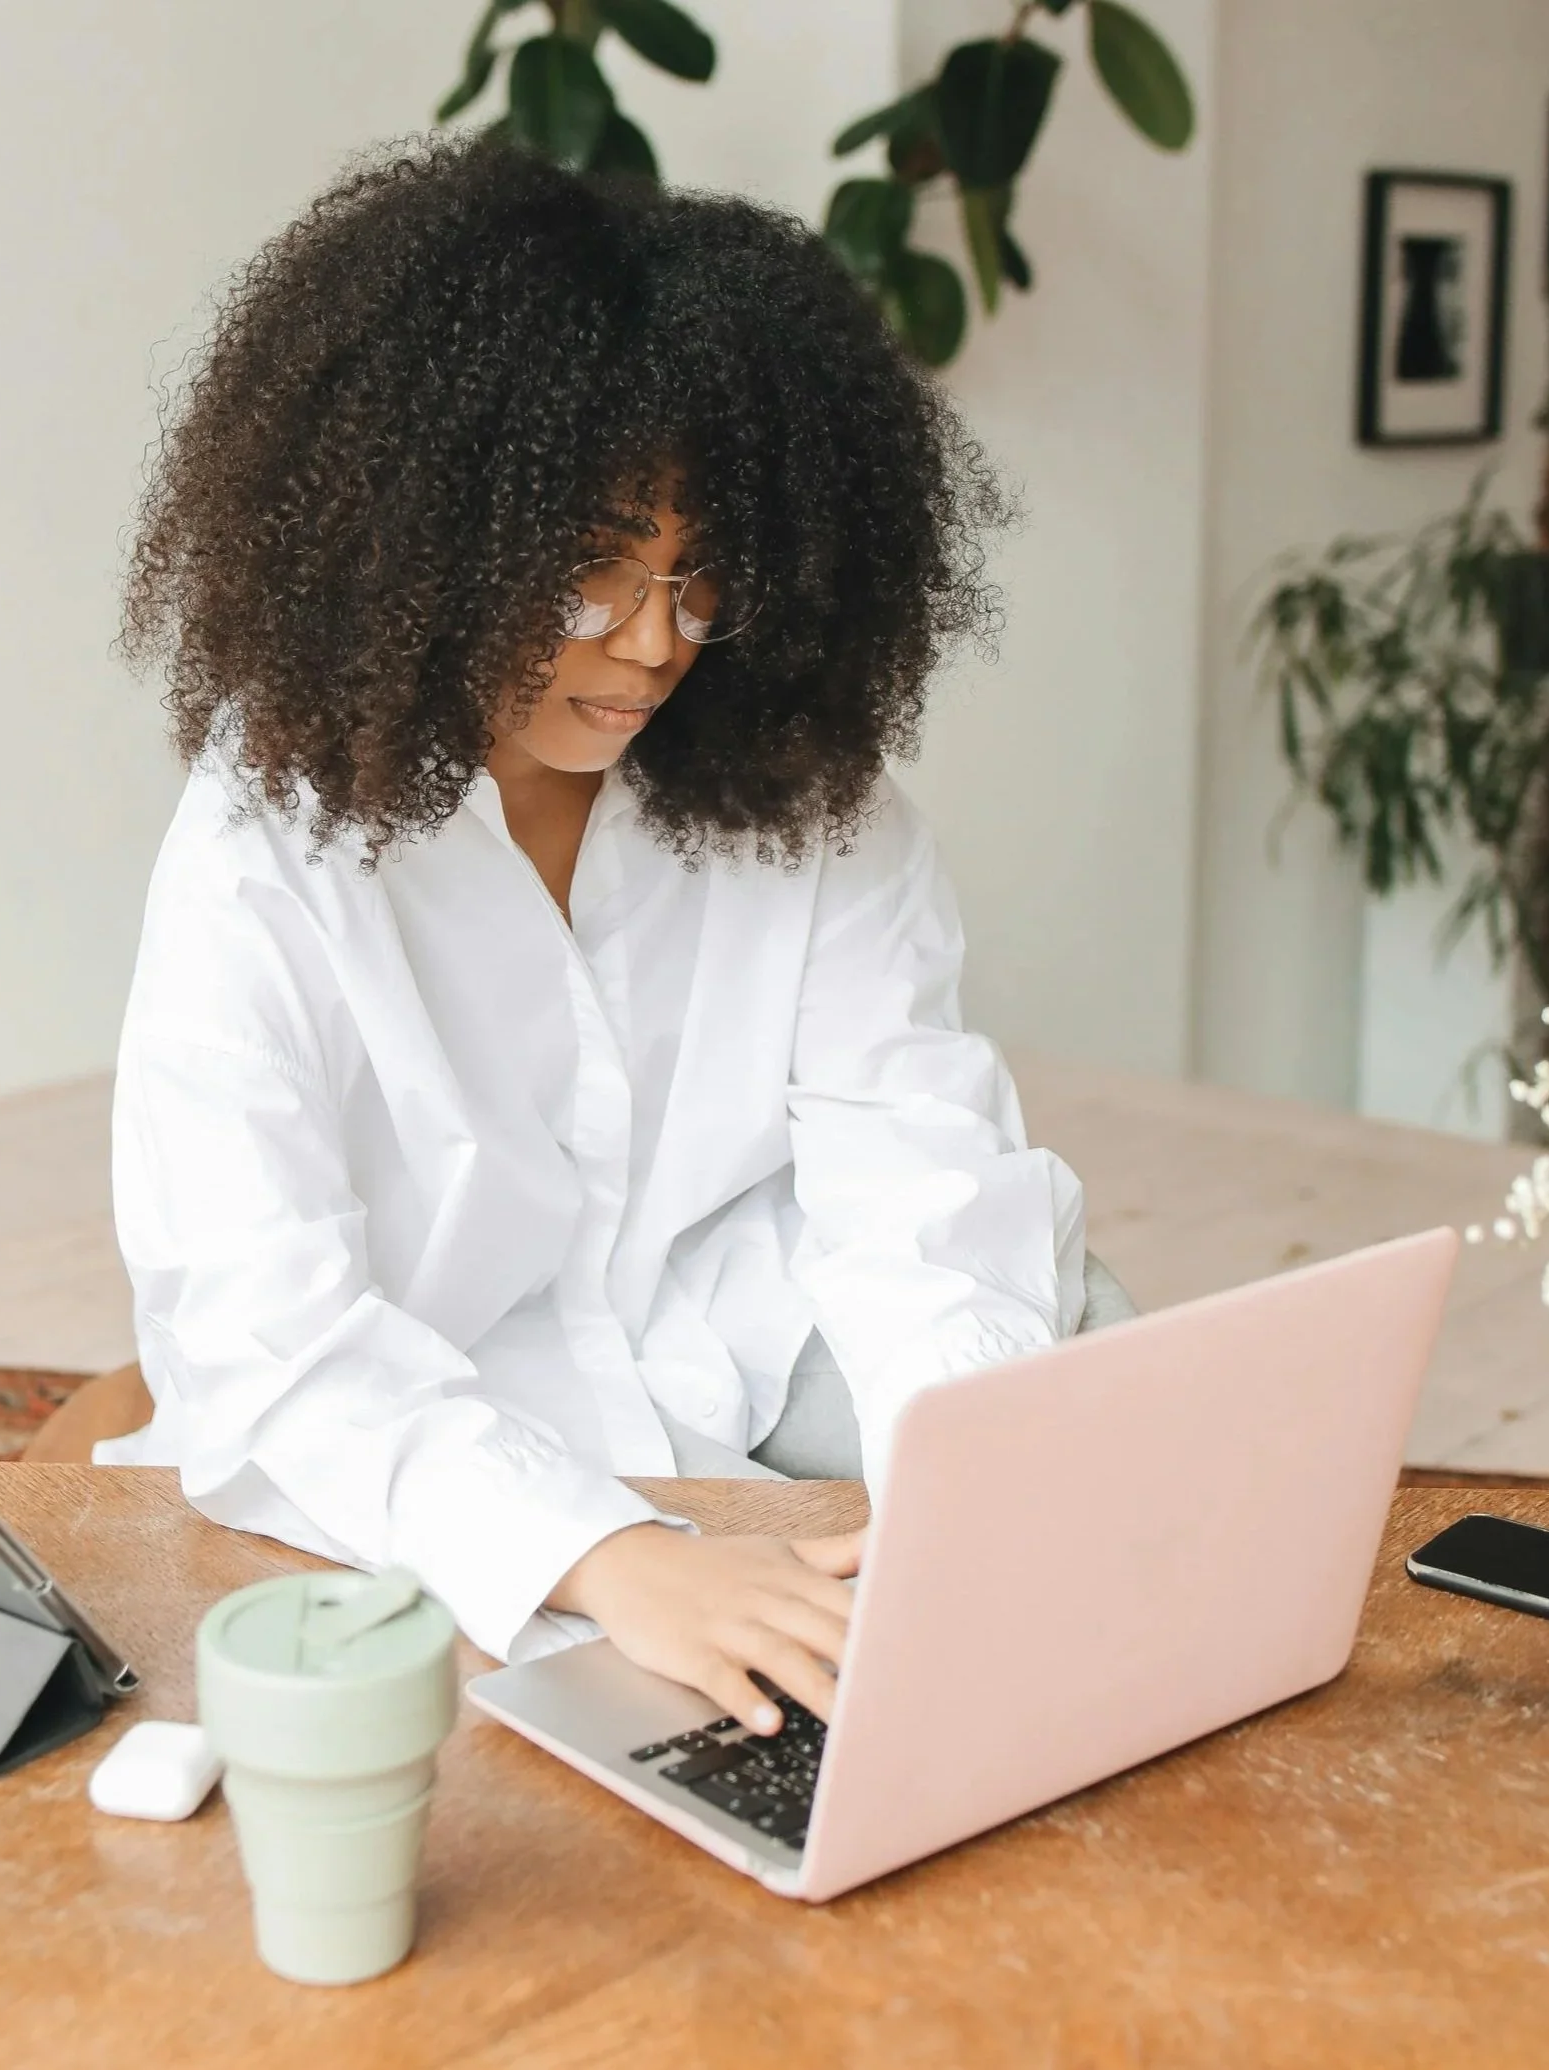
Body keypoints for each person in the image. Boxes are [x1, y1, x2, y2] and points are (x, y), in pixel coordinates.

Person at [101, 137, 1086, 1739]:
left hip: (752, 1351)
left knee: (1067, 1327)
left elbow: (917, 1170)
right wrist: (611, 1553)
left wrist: (960, 1489)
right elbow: (249, 1324)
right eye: (592, 575)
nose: (654, 645)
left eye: (700, 577)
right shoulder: (265, 847)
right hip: (443, 1439)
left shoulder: (812, 801)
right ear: (428, 544)